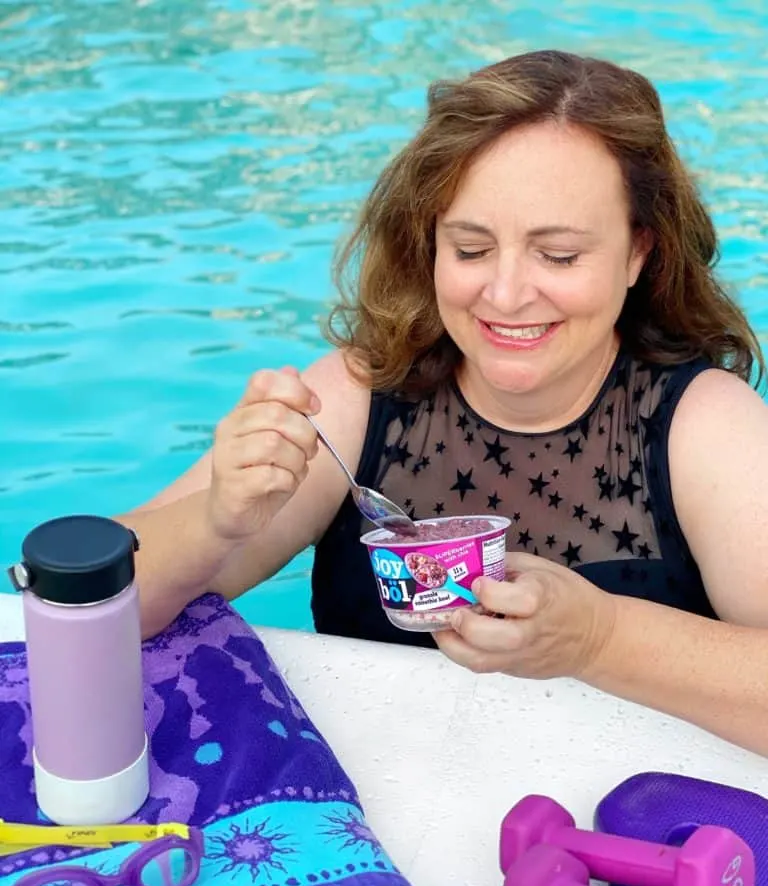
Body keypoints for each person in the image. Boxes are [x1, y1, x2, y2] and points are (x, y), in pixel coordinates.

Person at [120, 50, 768, 756]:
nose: (507, 293)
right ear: (429, 243)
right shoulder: (357, 398)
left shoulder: (705, 430)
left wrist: (601, 639)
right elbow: (79, 607)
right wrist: (216, 519)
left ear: (638, 252)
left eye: (558, 256)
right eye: (470, 249)